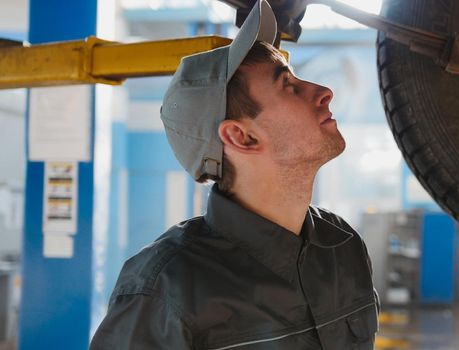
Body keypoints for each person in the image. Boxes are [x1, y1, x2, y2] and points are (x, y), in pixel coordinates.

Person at [90, 1, 379, 349]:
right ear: (241, 137)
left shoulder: (342, 245)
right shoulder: (166, 288)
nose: (322, 91)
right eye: (287, 85)